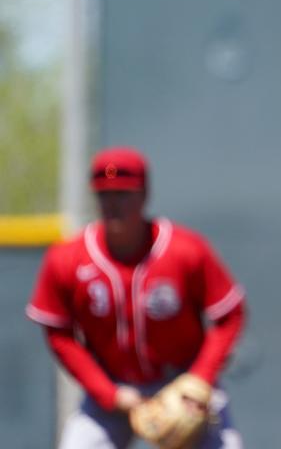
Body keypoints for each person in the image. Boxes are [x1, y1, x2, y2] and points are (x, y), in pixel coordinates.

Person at [26, 146, 246, 448]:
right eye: (104, 194)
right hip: (114, 385)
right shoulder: (67, 258)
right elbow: (58, 332)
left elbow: (229, 315)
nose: (113, 204)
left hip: (183, 383)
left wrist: (199, 382)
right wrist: (109, 394)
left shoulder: (185, 250)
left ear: (144, 195)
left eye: (123, 193)